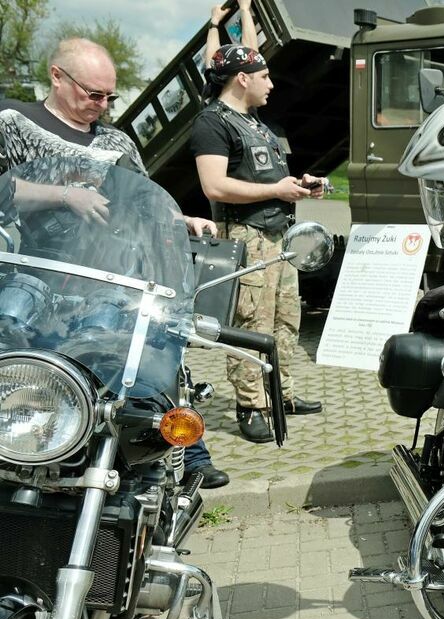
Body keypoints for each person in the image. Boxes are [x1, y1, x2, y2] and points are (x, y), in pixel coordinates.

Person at [0, 38, 230, 488]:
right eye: (93, 94)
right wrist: (66, 195)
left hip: (106, 275)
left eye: (110, 97)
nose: (102, 106)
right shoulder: (13, 121)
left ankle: (184, 457)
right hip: (33, 273)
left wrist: (183, 219)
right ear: (57, 76)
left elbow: (140, 202)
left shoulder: (114, 140)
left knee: (150, 359)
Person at [191, 45, 325, 444]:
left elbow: (269, 179)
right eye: (264, 76)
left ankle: (281, 395)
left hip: (278, 237)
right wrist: (275, 189)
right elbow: (214, 185)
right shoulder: (212, 123)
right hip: (246, 236)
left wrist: (298, 186)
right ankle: (250, 405)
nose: (271, 83)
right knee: (251, 324)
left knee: (286, 321)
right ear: (242, 78)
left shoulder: (258, 123)